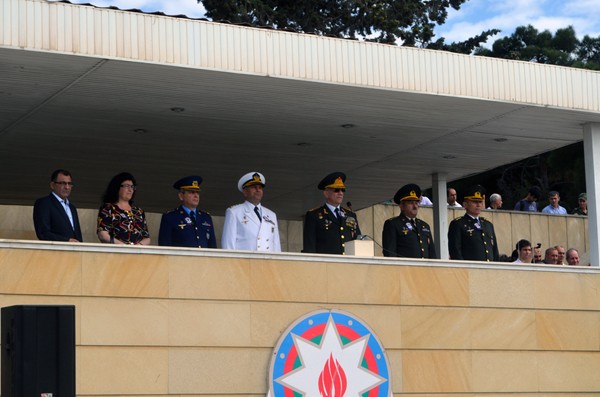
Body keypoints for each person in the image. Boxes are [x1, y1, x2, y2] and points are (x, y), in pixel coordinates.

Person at [303, 172, 361, 254]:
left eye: (342, 190)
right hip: (326, 264)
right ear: (326, 193)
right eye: (336, 190)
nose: (340, 193)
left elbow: (358, 240)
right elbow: (309, 247)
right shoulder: (314, 215)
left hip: (348, 264)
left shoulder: (350, 215)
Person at [221, 172, 281, 252]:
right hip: (244, 262)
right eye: (254, 187)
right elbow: (228, 245)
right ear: (245, 192)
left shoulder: (271, 215)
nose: (258, 190)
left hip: (267, 262)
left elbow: (276, 245)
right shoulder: (234, 212)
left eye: (260, 187)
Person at [158, 176, 216, 248]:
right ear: (181, 196)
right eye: (192, 192)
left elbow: (213, 247)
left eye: (197, 192)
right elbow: (164, 247)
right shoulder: (170, 217)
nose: (196, 196)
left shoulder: (206, 217)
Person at [382, 183, 436, 258]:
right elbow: (390, 253)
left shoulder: (424, 225)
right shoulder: (393, 224)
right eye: (411, 203)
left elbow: (432, 253)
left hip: (425, 269)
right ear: (402, 206)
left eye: (416, 203)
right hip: (404, 268)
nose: (415, 206)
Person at [448, 185, 499, 262]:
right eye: (474, 202)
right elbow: (455, 252)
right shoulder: (458, 224)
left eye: (480, 202)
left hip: (489, 270)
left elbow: (495, 251)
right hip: (470, 271)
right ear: (465, 204)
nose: (478, 205)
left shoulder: (488, 224)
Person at [97, 172, 150, 245]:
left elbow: (147, 237)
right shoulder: (108, 209)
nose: (130, 189)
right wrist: (124, 247)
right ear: (117, 187)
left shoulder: (138, 212)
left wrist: (138, 247)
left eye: (132, 187)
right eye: (127, 186)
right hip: (116, 253)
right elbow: (103, 235)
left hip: (137, 254)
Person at [33, 169, 83, 242]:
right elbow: (43, 233)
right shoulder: (44, 203)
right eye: (63, 183)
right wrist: (67, 240)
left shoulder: (72, 208)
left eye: (69, 184)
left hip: (74, 252)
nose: (67, 187)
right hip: (55, 251)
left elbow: (77, 234)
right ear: (52, 185)